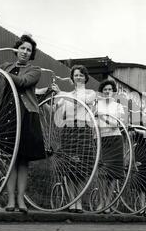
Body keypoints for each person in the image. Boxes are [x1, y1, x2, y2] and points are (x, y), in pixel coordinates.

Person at [0, 34, 44, 213]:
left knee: (23, 161)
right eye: (22, 48)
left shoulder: (34, 70)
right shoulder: (6, 67)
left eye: (29, 50)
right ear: (16, 50)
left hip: (26, 115)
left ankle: (21, 199)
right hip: (7, 116)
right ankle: (11, 199)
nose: (25, 52)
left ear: (31, 54)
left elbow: (23, 82)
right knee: (10, 160)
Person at [52, 64, 96, 213]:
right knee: (69, 168)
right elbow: (54, 110)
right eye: (76, 75)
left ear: (85, 78)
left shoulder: (90, 93)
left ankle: (79, 200)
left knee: (83, 167)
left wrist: (61, 93)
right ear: (72, 78)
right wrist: (50, 96)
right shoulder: (66, 95)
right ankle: (72, 201)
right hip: (69, 131)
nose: (78, 77)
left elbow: (79, 102)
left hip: (83, 131)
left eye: (81, 75)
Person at [95, 79, 125, 212]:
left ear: (113, 92)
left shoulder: (118, 106)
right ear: (102, 92)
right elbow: (91, 121)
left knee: (113, 173)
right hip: (100, 138)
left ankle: (108, 202)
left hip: (115, 139)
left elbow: (117, 125)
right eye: (105, 90)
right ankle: (102, 201)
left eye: (110, 90)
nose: (107, 92)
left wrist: (102, 117)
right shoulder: (97, 105)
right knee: (101, 173)